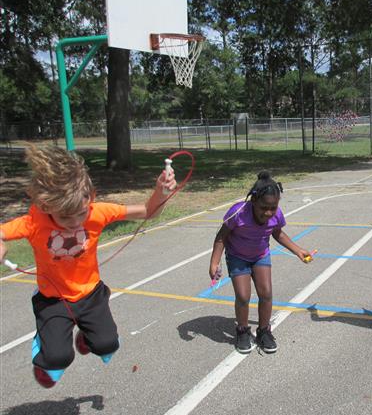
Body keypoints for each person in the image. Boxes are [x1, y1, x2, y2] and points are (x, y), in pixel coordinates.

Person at [0, 145, 176, 388]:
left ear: (90, 197)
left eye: (81, 214)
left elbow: (148, 211)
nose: (74, 223)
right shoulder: (34, 222)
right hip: (53, 299)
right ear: (45, 206)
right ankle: (46, 349)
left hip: (90, 294)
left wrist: (161, 192)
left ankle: (86, 336)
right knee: (57, 359)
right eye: (64, 217)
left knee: (107, 345)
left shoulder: (98, 212)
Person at [209, 171, 313, 354]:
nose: (268, 212)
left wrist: (298, 250)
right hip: (237, 256)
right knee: (243, 296)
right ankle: (242, 331)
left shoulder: (276, 214)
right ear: (254, 201)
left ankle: (264, 331)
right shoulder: (238, 212)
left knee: (266, 293)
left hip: (260, 256)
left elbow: (277, 233)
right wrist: (214, 262)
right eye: (264, 207)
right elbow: (221, 236)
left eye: (273, 207)